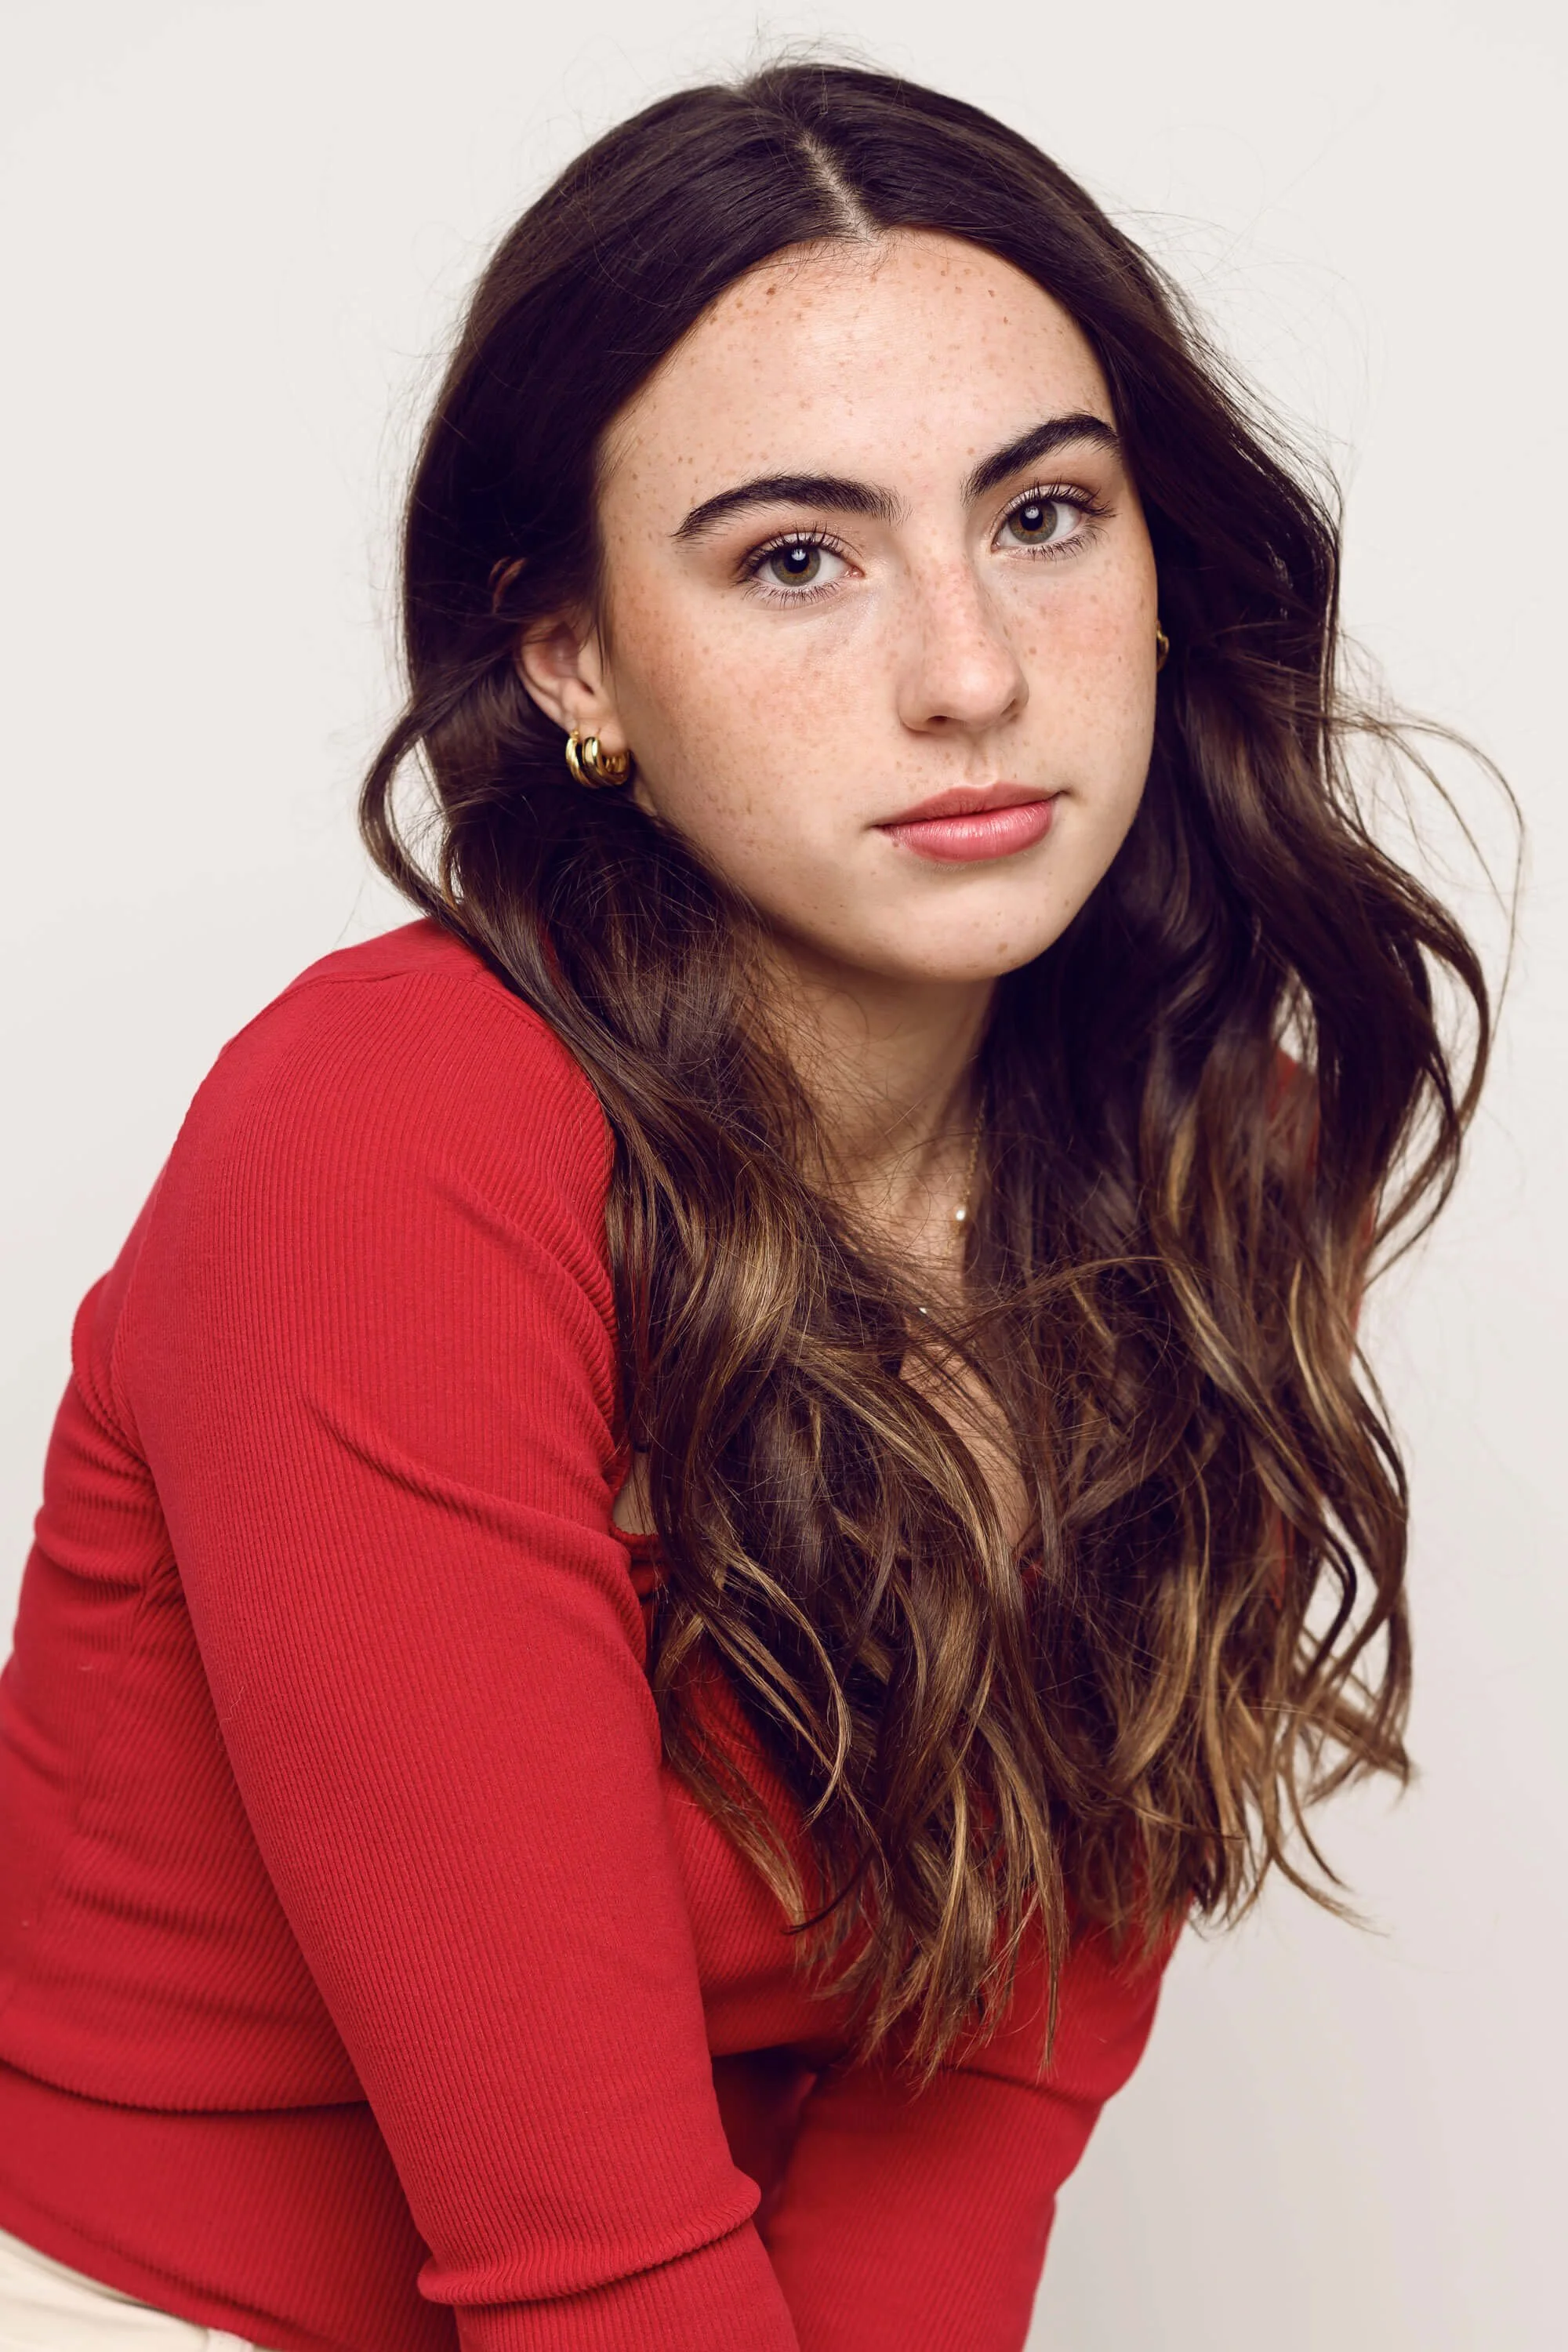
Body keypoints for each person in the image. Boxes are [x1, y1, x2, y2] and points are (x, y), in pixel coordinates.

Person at [0, 57, 1490, 2352]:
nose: (970, 674)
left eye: (1045, 516)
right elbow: (583, 2255)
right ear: (573, 657)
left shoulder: (1228, 1148)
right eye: (797, 558)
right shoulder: (390, 1138)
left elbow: (975, 2110)